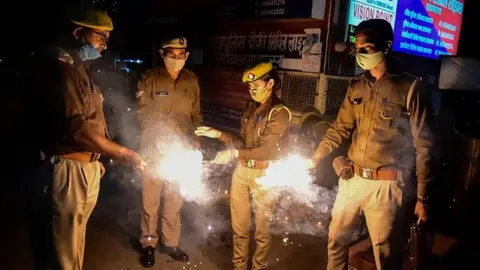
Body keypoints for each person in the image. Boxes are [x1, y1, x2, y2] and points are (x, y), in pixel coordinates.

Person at [307, 19, 436, 270]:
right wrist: (314, 157)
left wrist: (422, 198)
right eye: (357, 48)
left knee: (385, 256)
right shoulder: (357, 86)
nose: (360, 54)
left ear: (386, 46)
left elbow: (425, 144)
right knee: (335, 241)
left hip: (387, 187)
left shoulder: (410, 87)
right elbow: (340, 127)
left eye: (367, 48)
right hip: (352, 179)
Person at [25, 5, 146, 270]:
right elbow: (78, 129)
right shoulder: (61, 69)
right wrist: (122, 153)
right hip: (67, 170)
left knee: (73, 245)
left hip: (83, 166)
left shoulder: (80, 69)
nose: (103, 45)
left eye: (106, 40)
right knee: (62, 253)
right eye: (99, 37)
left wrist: (94, 159)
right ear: (78, 32)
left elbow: (91, 122)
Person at [195, 61, 292, 270]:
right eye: (249, 87)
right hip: (241, 172)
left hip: (265, 174)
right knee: (239, 227)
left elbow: (267, 150)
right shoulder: (250, 108)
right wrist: (218, 134)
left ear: (270, 84)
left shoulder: (279, 112)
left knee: (262, 230)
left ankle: (258, 267)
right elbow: (241, 141)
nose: (252, 91)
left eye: (255, 86)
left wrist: (233, 154)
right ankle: (239, 267)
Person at [137, 36, 202, 267]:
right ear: (163, 54)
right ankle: (148, 243)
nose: (176, 59)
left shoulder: (192, 81)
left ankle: (170, 242)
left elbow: (196, 116)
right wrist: (160, 136)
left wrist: (195, 139)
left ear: (186, 56)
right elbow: (143, 114)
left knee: (174, 199)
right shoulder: (149, 79)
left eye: (180, 55)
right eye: (171, 54)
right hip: (154, 150)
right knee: (150, 200)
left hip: (181, 152)